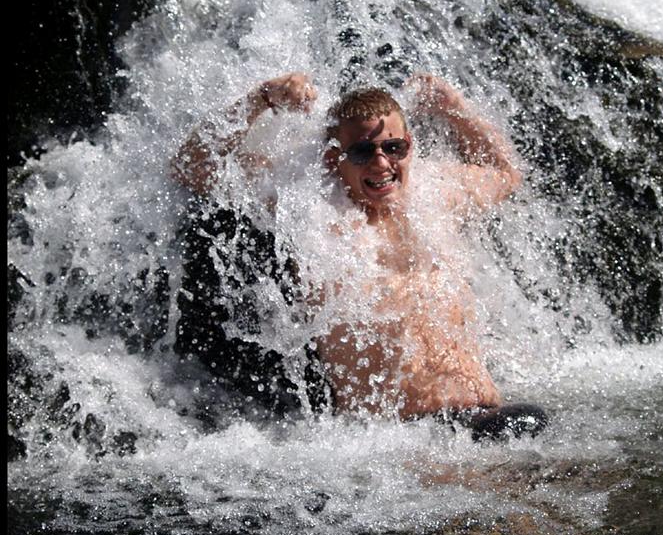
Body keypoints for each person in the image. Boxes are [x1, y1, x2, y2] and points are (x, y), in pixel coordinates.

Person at [171, 72, 547, 440]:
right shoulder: (307, 206)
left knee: (530, 422)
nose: (381, 164)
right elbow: (190, 167)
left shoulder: (439, 192)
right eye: (363, 152)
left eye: (393, 148)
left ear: (408, 146)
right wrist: (262, 98)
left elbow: (506, 173)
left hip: (484, 417)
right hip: (396, 437)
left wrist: (453, 106)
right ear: (334, 159)